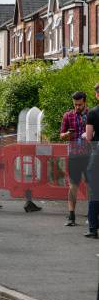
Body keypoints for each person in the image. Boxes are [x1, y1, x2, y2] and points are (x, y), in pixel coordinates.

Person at [60, 91, 89, 226]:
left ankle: (92, 214)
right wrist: (67, 134)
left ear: (85, 102)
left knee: (92, 186)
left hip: (90, 154)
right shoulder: (68, 115)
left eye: (80, 104)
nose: (77, 107)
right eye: (75, 104)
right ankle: (71, 216)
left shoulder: (92, 114)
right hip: (74, 155)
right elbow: (61, 135)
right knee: (73, 186)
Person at [84, 83, 99, 238]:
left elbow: (88, 138)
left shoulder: (93, 113)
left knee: (95, 192)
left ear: (96, 95)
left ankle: (93, 229)